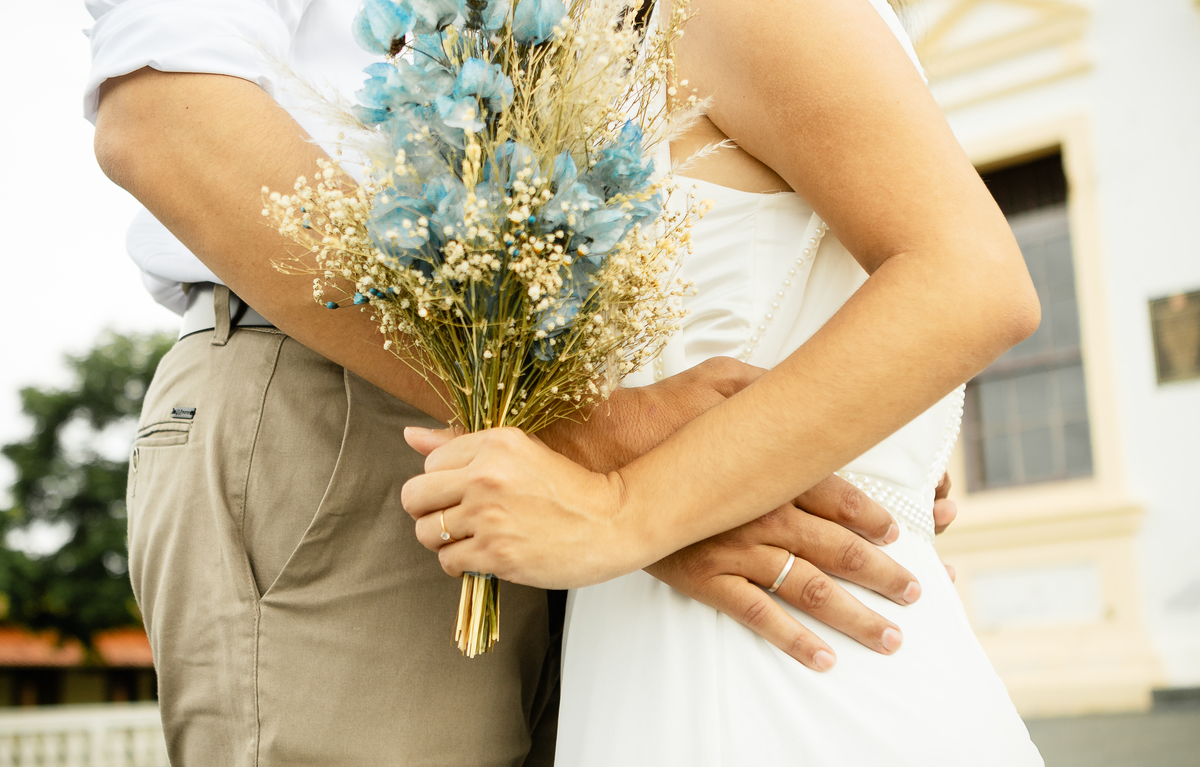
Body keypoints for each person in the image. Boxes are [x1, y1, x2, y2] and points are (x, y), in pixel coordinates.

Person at [85, 1, 955, 764]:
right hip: (350, 396)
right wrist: (609, 454)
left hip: (586, 447)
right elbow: (164, 113)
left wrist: (804, 432)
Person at [400, 0, 1047, 764]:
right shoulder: (578, 45)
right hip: (642, 650)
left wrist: (617, 510)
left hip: (788, 668)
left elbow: (973, 281)